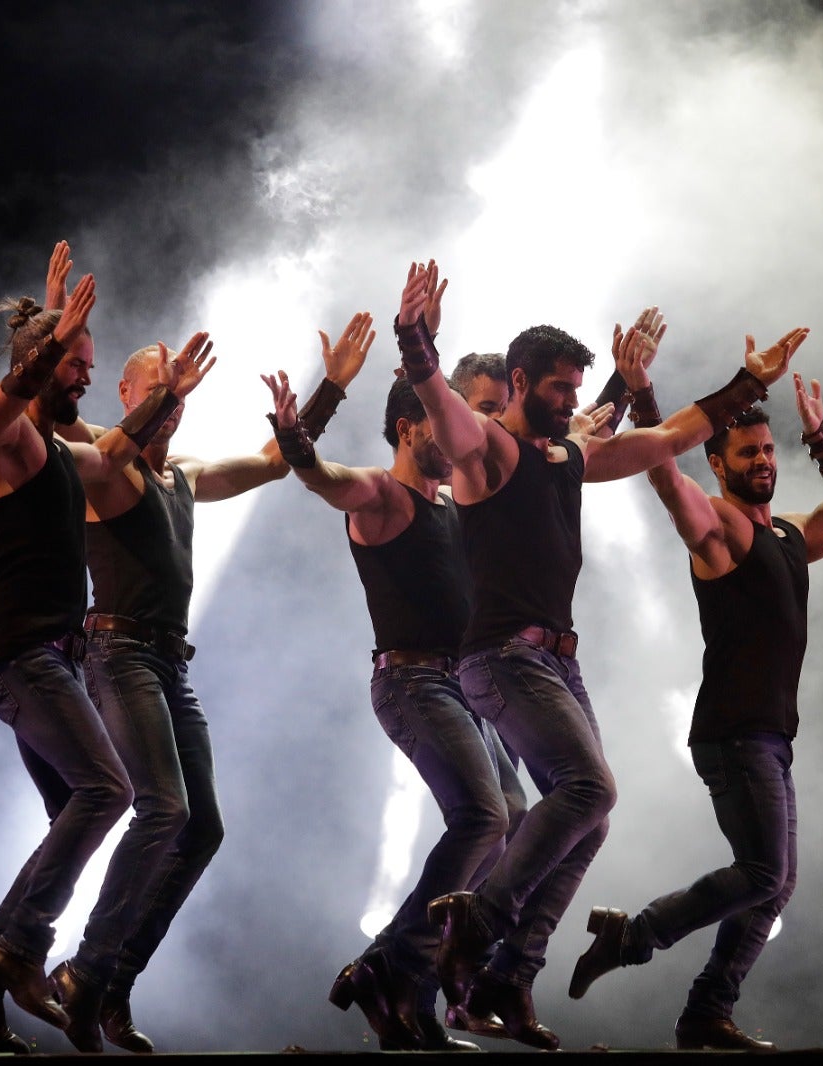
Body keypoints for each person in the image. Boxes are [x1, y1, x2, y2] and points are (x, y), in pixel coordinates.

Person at [388, 258, 802, 1049]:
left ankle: (506, 978)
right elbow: (438, 399)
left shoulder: (568, 456)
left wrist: (748, 382)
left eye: (576, 390)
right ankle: (477, 925)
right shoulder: (488, 452)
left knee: (591, 819)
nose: (571, 402)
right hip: (501, 658)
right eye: (558, 389)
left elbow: (669, 437)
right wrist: (415, 335)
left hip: (555, 664)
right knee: (589, 788)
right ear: (519, 382)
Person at [566, 357, 823, 1051]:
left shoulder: (792, 535)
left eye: (768, 450)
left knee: (774, 883)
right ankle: (635, 934)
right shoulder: (719, 529)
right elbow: (664, 477)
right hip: (733, 734)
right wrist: (644, 394)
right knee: (766, 873)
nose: (764, 461)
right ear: (718, 464)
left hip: (768, 737)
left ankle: (707, 1011)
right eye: (748, 453)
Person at [44, 311, 371, 1051]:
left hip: (170, 663)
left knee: (202, 828)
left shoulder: (183, 473)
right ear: (126, 393)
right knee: (162, 807)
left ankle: (112, 983)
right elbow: (53, 421)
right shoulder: (105, 461)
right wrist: (56, 332)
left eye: (179, 392)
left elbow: (274, 462)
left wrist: (329, 391)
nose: (174, 400)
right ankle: (83, 971)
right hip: (118, 653)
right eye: (159, 389)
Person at [0, 270, 211, 1053]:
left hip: (53, 663)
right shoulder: (5, 443)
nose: (87, 376)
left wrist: (168, 393)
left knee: (81, 811)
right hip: (19, 660)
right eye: (76, 364)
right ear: (41, 363)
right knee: (109, 790)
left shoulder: (62, 452)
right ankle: (20, 950)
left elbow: (117, 450)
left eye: (89, 364)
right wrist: (47, 343)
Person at [267, 339, 541, 1049]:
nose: (454, 439)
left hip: (464, 686)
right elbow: (323, 478)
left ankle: (404, 995)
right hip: (412, 683)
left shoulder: (457, 503)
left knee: (512, 818)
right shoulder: (382, 497)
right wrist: (296, 438)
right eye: (437, 426)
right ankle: (393, 963)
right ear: (406, 429)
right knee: (483, 816)